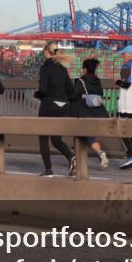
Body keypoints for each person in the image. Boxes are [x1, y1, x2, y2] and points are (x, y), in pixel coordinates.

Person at [33, 42, 76, 177]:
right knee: (56, 139)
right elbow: (70, 90)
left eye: (43, 50)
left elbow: (44, 89)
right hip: (63, 106)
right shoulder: (62, 69)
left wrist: (37, 94)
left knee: (43, 138)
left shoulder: (45, 68)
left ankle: (48, 170)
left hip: (49, 106)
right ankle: (71, 157)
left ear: (46, 51)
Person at [71, 57, 110, 168]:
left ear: (85, 69)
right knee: (89, 136)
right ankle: (84, 158)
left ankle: (98, 153)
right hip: (99, 113)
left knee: (86, 136)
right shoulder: (97, 81)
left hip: (85, 112)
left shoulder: (81, 81)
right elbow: (100, 95)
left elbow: (74, 94)